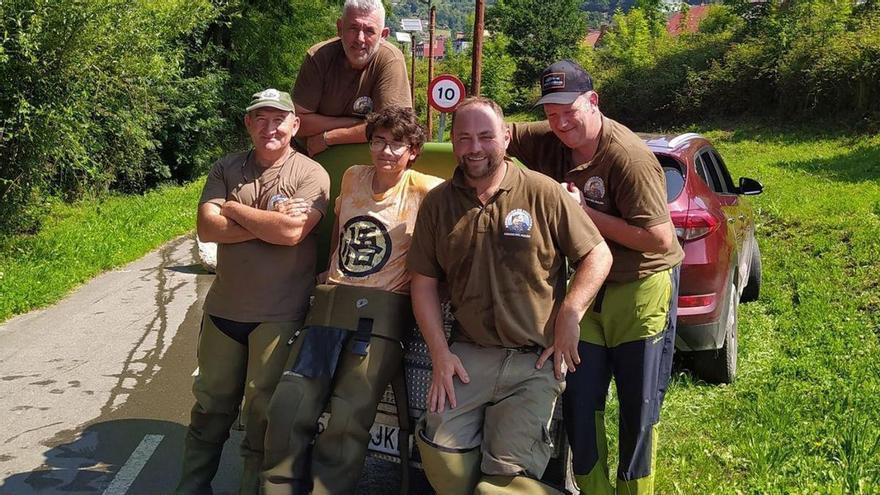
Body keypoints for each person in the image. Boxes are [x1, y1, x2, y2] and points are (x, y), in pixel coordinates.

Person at [406, 96, 613, 495]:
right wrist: (439, 353)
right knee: (439, 460)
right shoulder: (438, 203)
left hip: (533, 363)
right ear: (453, 141)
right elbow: (424, 282)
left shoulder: (543, 192)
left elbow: (597, 253)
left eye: (485, 136)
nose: (475, 147)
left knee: (498, 487)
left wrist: (571, 312)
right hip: (467, 357)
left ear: (505, 137)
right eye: (464, 138)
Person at [506, 60, 685, 495]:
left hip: (640, 288)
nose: (561, 122)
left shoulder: (629, 158)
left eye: (570, 109)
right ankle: (594, 489)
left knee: (637, 409)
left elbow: (659, 240)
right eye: (551, 113)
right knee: (581, 404)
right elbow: (498, 130)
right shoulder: (549, 135)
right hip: (586, 288)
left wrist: (583, 213)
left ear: (593, 101)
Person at [261, 105, 443, 495]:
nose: (386, 151)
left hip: (382, 312)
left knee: (349, 413)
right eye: (379, 141)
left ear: (413, 150)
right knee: (290, 404)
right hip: (331, 305)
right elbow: (342, 231)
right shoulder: (353, 176)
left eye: (398, 144)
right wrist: (329, 269)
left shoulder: (426, 189)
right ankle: (276, 488)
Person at [176, 89, 330, 495]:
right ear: (248, 124)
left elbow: (293, 231)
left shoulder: (311, 174)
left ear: (295, 125)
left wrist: (232, 208)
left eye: (279, 119)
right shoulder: (226, 167)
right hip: (223, 312)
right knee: (209, 410)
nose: (270, 127)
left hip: (277, 316)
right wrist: (267, 223)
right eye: (260, 118)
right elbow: (207, 229)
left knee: (262, 416)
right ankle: (191, 488)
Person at [292, 0, 411, 157]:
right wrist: (360, 124)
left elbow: (394, 127)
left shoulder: (390, 60)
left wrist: (329, 137)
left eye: (369, 31)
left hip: (369, 160)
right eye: (353, 28)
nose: (360, 39)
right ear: (340, 28)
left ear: (383, 35)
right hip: (310, 155)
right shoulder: (319, 57)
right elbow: (297, 123)